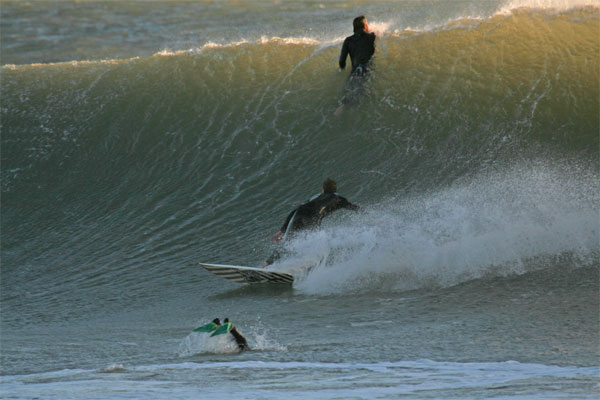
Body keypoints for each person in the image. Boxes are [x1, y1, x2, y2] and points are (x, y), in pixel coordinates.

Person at [261, 178, 360, 267]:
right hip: (312, 218)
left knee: (287, 244)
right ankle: (304, 266)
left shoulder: (315, 197)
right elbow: (353, 207)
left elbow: (296, 210)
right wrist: (367, 213)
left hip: (299, 214)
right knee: (312, 243)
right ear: (335, 190)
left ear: (323, 189)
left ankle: (264, 265)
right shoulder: (339, 199)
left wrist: (282, 230)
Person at [335, 16, 376, 117]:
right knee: (354, 99)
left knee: (349, 95)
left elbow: (341, 62)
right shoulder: (371, 37)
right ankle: (338, 114)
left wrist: (342, 69)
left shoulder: (348, 41)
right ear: (365, 26)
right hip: (365, 71)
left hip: (354, 72)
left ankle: (341, 115)